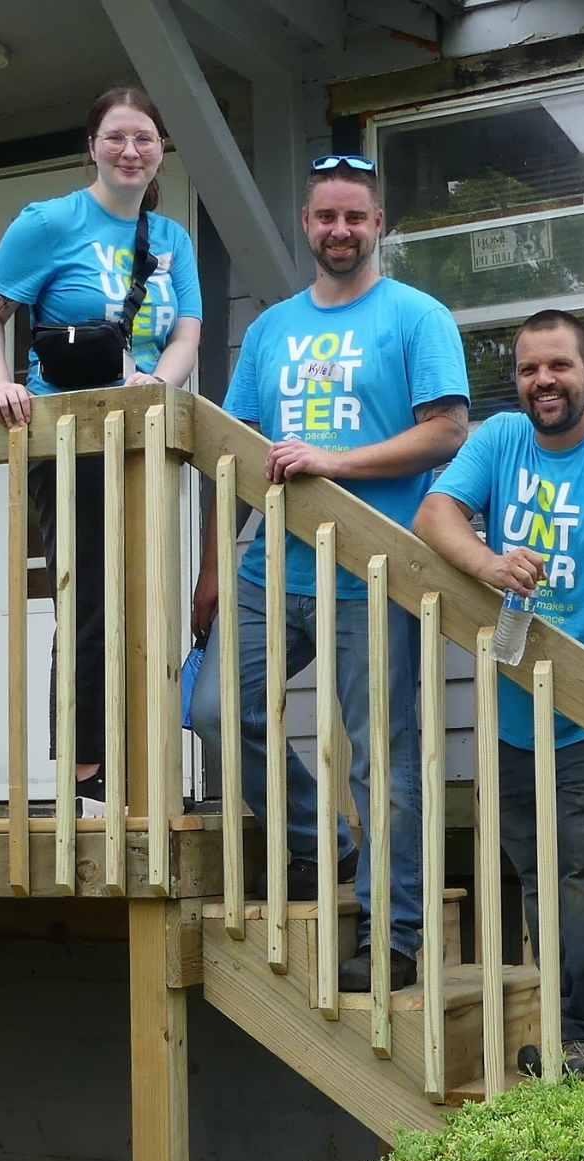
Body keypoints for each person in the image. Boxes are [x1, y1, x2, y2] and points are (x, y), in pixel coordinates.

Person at [187, 155, 469, 991]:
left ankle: (397, 935)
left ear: (379, 225)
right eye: (326, 218)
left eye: (356, 217)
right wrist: (211, 565)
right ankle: (323, 836)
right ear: (306, 227)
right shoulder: (273, 329)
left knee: (384, 759)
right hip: (270, 568)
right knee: (209, 709)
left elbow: (446, 432)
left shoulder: (417, 317)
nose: (340, 231)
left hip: (376, 574)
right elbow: (233, 453)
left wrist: (333, 463)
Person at [413, 309, 584, 1075]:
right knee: (538, 875)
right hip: (512, 710)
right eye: (531, 368)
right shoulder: (501, 440)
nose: (543, 381)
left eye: (559, 366)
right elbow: (435, 513)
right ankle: (573, 1034)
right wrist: (488, 563)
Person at [0, 85, 202, 800]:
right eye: (116, 137)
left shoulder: (171, 239)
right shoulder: (50, 221)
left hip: (143, 441)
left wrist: (158, 382)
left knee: (147, 600)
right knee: (91, 599)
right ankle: (87, 778)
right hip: (67, 443)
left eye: (145, 139)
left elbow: (185, 330)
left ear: (161, 151)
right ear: (92, 145)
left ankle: (141, 768)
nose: (131, 151)